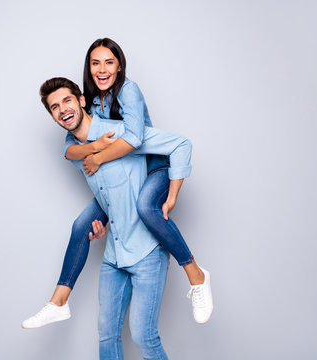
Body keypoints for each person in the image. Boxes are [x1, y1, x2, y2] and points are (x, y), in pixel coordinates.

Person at [22, 38, 213, 329]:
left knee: (148, 208)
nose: (102, 69)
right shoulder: (94, 109)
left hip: (156, 166)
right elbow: (71, 149)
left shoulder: (127, 96)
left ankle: (195, 274)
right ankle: (58, 301)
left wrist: (171, 196)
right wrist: (91, 149)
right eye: (95, 63)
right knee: (80, 226)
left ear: (119, 66)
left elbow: (136, 138)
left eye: (109, 62)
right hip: (125, 189)